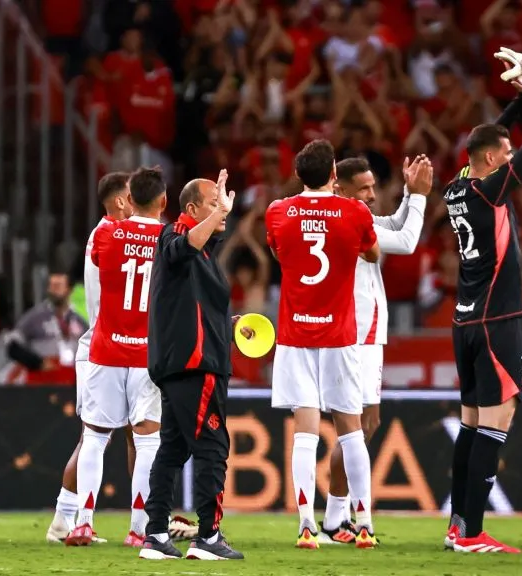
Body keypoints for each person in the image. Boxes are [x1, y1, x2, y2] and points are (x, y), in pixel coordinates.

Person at [442, 52, 522, 554]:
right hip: (496, 319)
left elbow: (483, 140)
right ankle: (471, 533)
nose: (512, 161)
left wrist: (515, 101)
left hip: (465, 320)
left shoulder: (456, 188)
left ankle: (458, 524)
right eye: (505, 156)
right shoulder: (490, 192)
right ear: (491, 162)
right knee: (497, 418)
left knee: (470, 422)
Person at [266, 140, 381, 550]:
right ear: (335, 174)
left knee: (305, 433)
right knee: (351, 430)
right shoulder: (355, 212)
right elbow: (373, 253)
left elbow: (281, 254)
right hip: (340, 336)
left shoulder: (278, 212)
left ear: (299, 175)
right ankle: (364, 523)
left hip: (296, 335)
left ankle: (305, 526)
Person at [319, 155, 433, 544]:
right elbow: (405, 240)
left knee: (365, 425)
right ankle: (338, 518)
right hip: (355, 331)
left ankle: (336, 517)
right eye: (364, 188)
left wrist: (407, 193)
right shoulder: (345, 218)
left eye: (373, 186)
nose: (371, 194)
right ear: (341, 189)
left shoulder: (357, 216)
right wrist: (418, 196)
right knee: (356, 428)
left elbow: (393, 225)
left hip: (366, 330)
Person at [139, 170, 245, 561]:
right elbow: (182, 244)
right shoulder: (172, 236)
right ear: (191, 209)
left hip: (186, 362)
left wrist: (226, 325)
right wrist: (216, 217)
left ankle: (154, 535)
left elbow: (191, 306)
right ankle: (208, 536)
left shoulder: (203, 255)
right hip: (195, 365)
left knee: (173, 449)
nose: (222, 210)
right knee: (212, 447)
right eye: (213, 202)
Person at [66, 167, 166, 547]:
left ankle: (83, 522)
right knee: (145, 440)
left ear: (128, 200)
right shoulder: (169, 237)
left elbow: (100, 266)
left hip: (105, 349)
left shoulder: (105, 233)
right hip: (146, 352)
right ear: (162, 201)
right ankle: (139, 529)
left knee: (94, 436)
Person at [47, 172, 135, 544]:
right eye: (133, 197)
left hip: (109, 345)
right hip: (105, 347)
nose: (137, 202)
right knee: (100, 437)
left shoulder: (107, 235)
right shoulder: (110, 236)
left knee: (129, 435)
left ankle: (143, 516)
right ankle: (69, 520)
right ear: (118, 202)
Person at [2, 273, 89, 386]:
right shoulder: (35, 317)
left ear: (69, 290)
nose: (54, 290)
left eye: (58, 286)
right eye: (51, 286)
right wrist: (37, 362)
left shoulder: (79, 321)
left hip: (71, 383)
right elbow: (12, 345)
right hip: (42, 382)